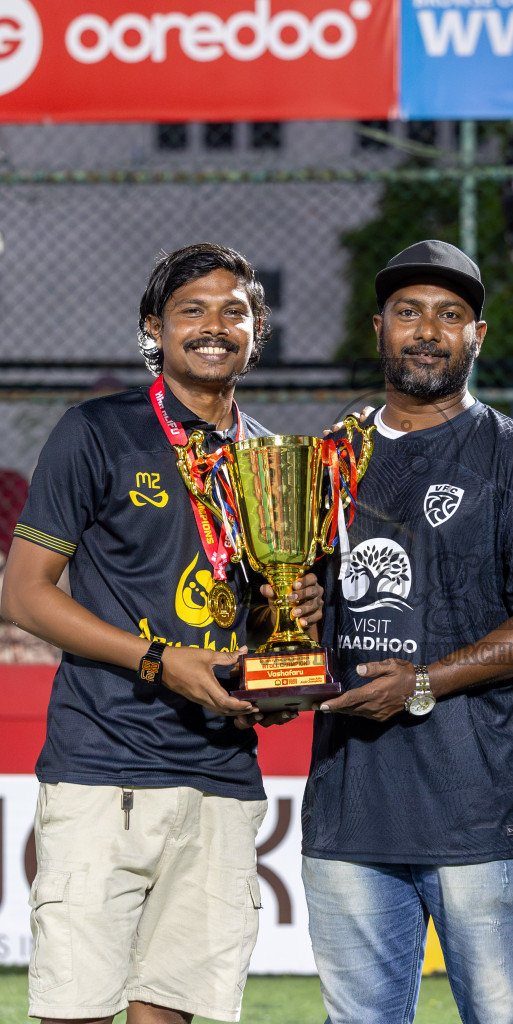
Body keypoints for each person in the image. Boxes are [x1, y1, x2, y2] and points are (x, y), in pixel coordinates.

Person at [1, 243, 323, 1024]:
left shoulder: (269, 460)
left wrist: (285, 624)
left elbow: (235, 616)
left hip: (218, 773)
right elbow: (24, 596)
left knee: (169, 1016)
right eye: (192, 310)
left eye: (234, 311)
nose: (215, 326)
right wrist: (157, 659)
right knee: (74, 1012)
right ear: (155, 329)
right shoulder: (99, 433)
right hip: (103, 767)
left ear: (258, 331)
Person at [298, 239, 513, 1024]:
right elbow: (303, 603)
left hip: (481, 808)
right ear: (379, 327)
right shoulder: (328, 461)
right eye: (408, 312)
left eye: (449, 315)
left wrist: (422, 683)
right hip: (349, 806)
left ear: (476, 336)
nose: (427, 330)